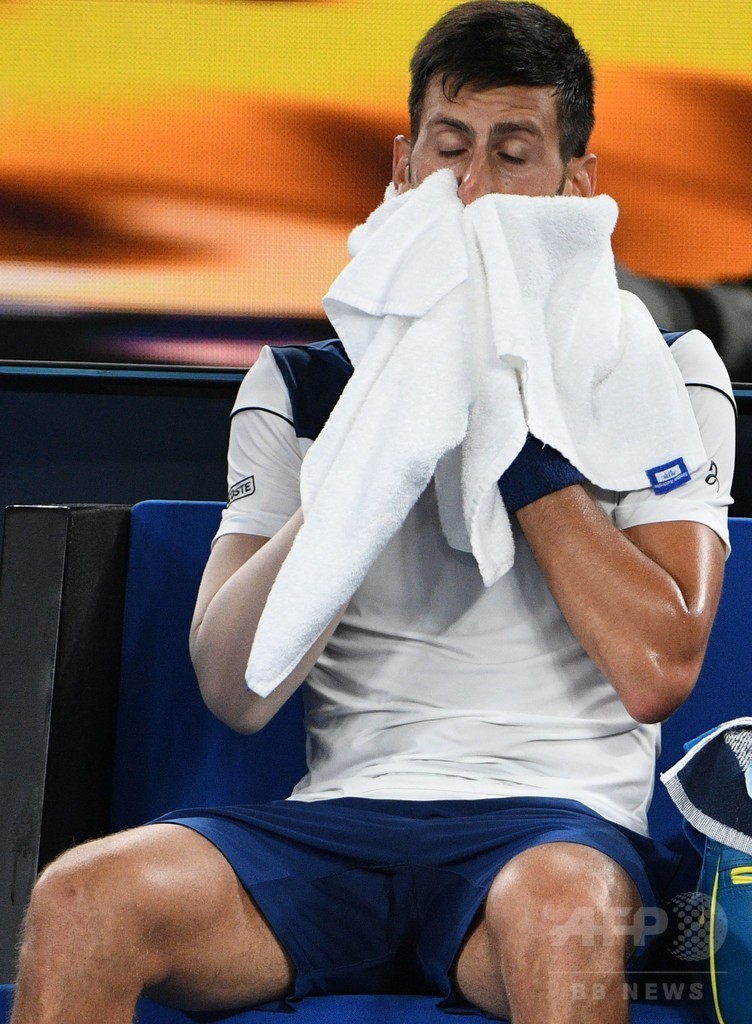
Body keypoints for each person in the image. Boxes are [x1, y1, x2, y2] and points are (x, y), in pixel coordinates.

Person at [10, 3, 736, 1023]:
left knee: (559, 910)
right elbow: (235, 687)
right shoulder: (302, 389)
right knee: (81, 899)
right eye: (449, 149)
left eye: (512, 155)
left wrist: (509, 428)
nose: (472, 189)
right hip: (334, 829)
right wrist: (380, 436)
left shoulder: (663, 371)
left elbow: (658, 669)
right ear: (403, 167)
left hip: (552, 831)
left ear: (577, 186)